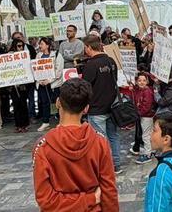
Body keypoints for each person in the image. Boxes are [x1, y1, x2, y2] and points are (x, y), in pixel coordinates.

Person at [32, 78, 119, 211]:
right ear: (86, 109)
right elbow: (109, 192)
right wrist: (91, 199)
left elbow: (46, 200)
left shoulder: (42, 147)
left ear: (58, 103)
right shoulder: (100, 142)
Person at [81, 33, 122, 172]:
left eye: (85, 47)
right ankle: (115, 163)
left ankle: (105, 167)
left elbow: (85, 87)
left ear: (88, 47)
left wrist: (84, 104)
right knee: (113, 136)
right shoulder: (111, 61)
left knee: (99, 140)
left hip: (96, 108)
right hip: (112, 105)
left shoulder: (91, 65)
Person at [132, 72, 157, 164]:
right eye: (139, 80)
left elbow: (146, 106)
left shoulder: (147, 92)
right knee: (149, 133)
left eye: (143, 80)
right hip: (145, 115)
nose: (141, 82)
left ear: (147, 81)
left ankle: (147, 154)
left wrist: (139, 113)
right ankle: (151, 150)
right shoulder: (140, 90)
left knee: (146, 135)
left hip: (146, 116)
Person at [35, 37, 58, 131]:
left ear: (47, 45)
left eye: (42, 44)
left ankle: (61, 121)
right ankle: (45, 122)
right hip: (42, 84)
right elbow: (36, 68)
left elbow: (58, 70)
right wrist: (39, 80)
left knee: (57, 102)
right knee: (44, 103)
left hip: (53, 84)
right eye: (39, 44)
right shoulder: (38, 55)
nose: (40, 46)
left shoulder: (56, 54)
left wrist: (49, 80)